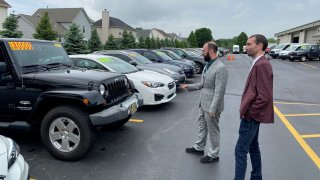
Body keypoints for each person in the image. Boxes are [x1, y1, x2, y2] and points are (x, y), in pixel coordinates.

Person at [234, 34, 274, 180]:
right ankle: (256, 176)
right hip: (252, 115)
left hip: (251, 116)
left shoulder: (262, 64)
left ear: (260, 46)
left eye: (249, 44)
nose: (246, 46)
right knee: (253, 147)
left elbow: (264, 96)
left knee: (240, 150)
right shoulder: (258, 62)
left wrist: (250, 114)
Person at [181, 41, 228, 163]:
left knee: (213, 130)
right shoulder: (208, 65)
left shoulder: (220, 67)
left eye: (203, 50)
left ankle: (214, 154)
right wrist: (189, 86)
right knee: (202, 126)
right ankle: (199, 147)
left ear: (211, 51)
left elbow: (219, 91)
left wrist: (213, 108)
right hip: (203, 103)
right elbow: (203, 84)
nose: (202, 52)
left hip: (212, 106)